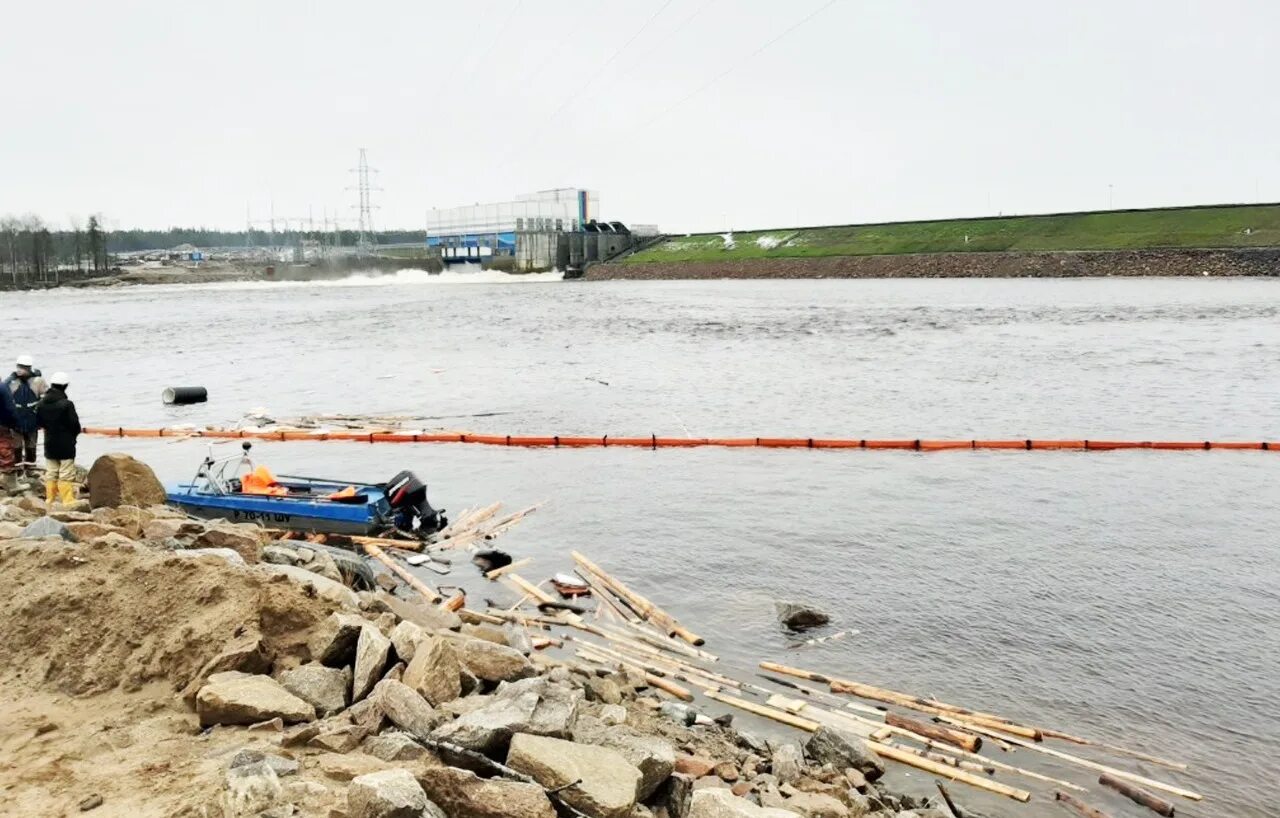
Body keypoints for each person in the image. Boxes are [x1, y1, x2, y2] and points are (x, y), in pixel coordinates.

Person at [36, 372, 81, 506]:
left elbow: (39, 422)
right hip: (66, 443)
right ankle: (67, 500)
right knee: (66, 472)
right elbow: (75, 425)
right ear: (65, 386)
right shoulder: (66, 404)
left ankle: (50, 499)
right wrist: (73, 436)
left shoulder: (41, 403)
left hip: (49, 442)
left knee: (51, 472)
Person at [6, 355, 48, 469]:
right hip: (16, 421)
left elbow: (45, 400)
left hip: (32, 420)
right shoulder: (11, 382)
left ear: (29, 368)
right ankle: (18, 471)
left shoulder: (38, 381)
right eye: (18, 367)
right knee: (16, 447)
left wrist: (42, 419)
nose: (20, 369)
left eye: (23, 367)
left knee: (31, 446)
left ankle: (31, 470)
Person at [0, 373, 18, 492]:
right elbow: (10, 408)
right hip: (2, 424)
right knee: (6, 449)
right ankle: (10, 483)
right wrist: (14, 423)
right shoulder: (2, 388)